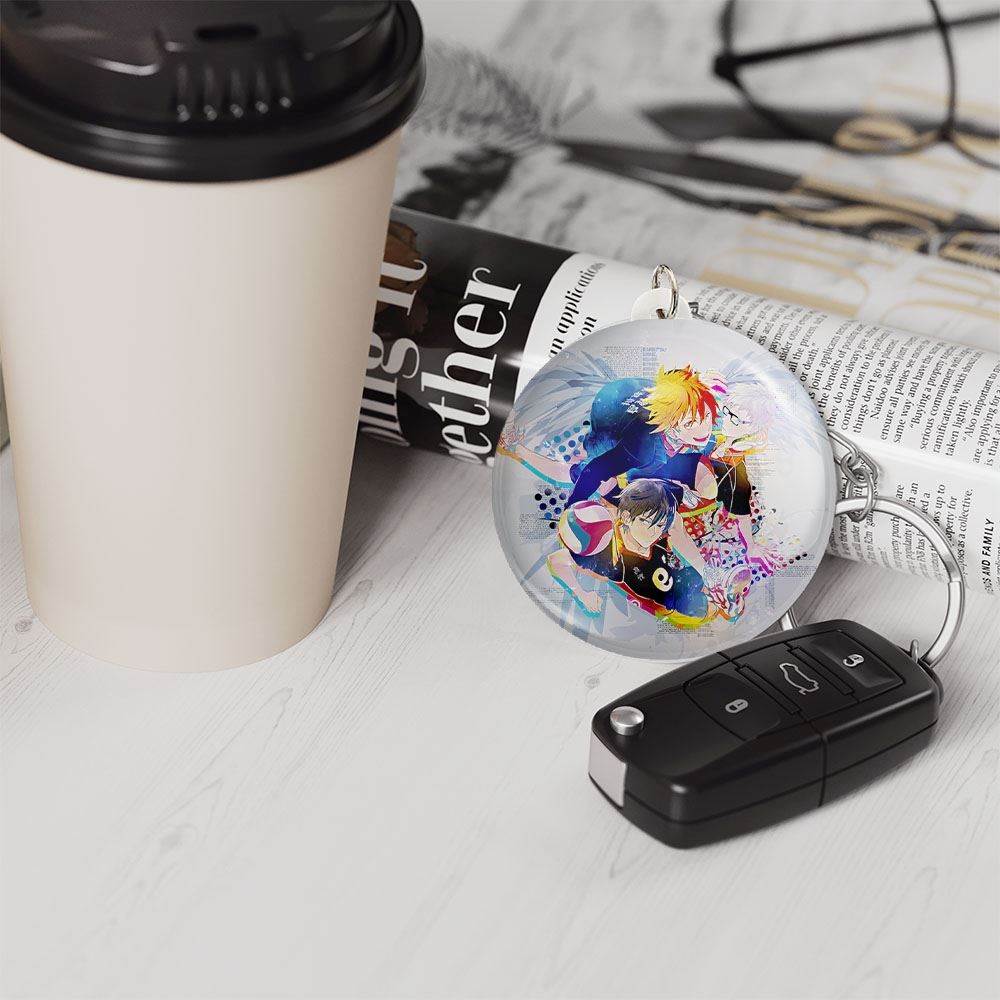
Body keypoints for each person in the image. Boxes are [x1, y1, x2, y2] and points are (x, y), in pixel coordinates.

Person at [547, 479, 715, 624]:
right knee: (709, 611)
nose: (654, 532)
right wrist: (582, 595)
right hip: (675, 603)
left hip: (684, 576)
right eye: (647, 522)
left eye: (659, 525)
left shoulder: (658, 525)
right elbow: (556, 561)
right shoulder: (607, 555)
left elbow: (675, 525)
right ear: (627, 518)